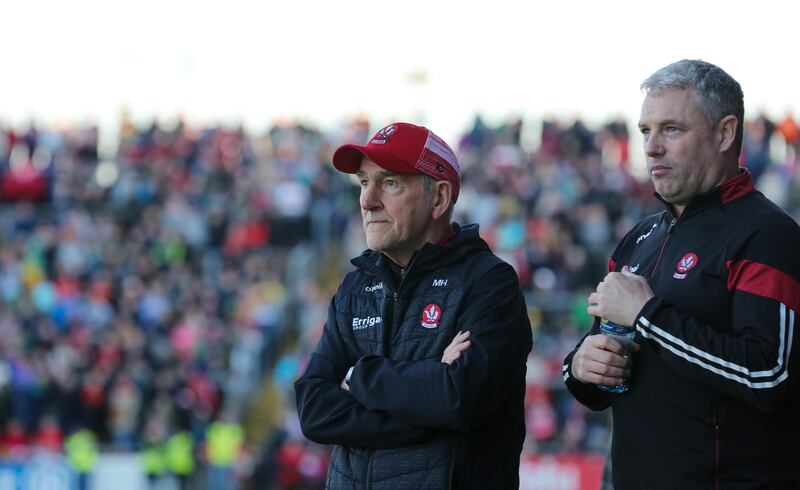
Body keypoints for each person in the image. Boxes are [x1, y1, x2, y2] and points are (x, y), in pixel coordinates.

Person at [563, 59, 800, 489]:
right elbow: (604, 369)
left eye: (671, 129)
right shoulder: (638, 239)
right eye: (646, 131)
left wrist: (649, 316)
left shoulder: (769, 234)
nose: (652, 147)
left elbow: (769, 376)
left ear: (725, 133)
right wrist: (580, 367)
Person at [294, 122, 532, 489]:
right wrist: (428, 384)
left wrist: (358, 377)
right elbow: (313, 410)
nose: (367, 200)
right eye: (363, 182)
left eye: (390, 183)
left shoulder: (488, 283)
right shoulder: (355, 286)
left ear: (438, 199)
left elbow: (458, 400)